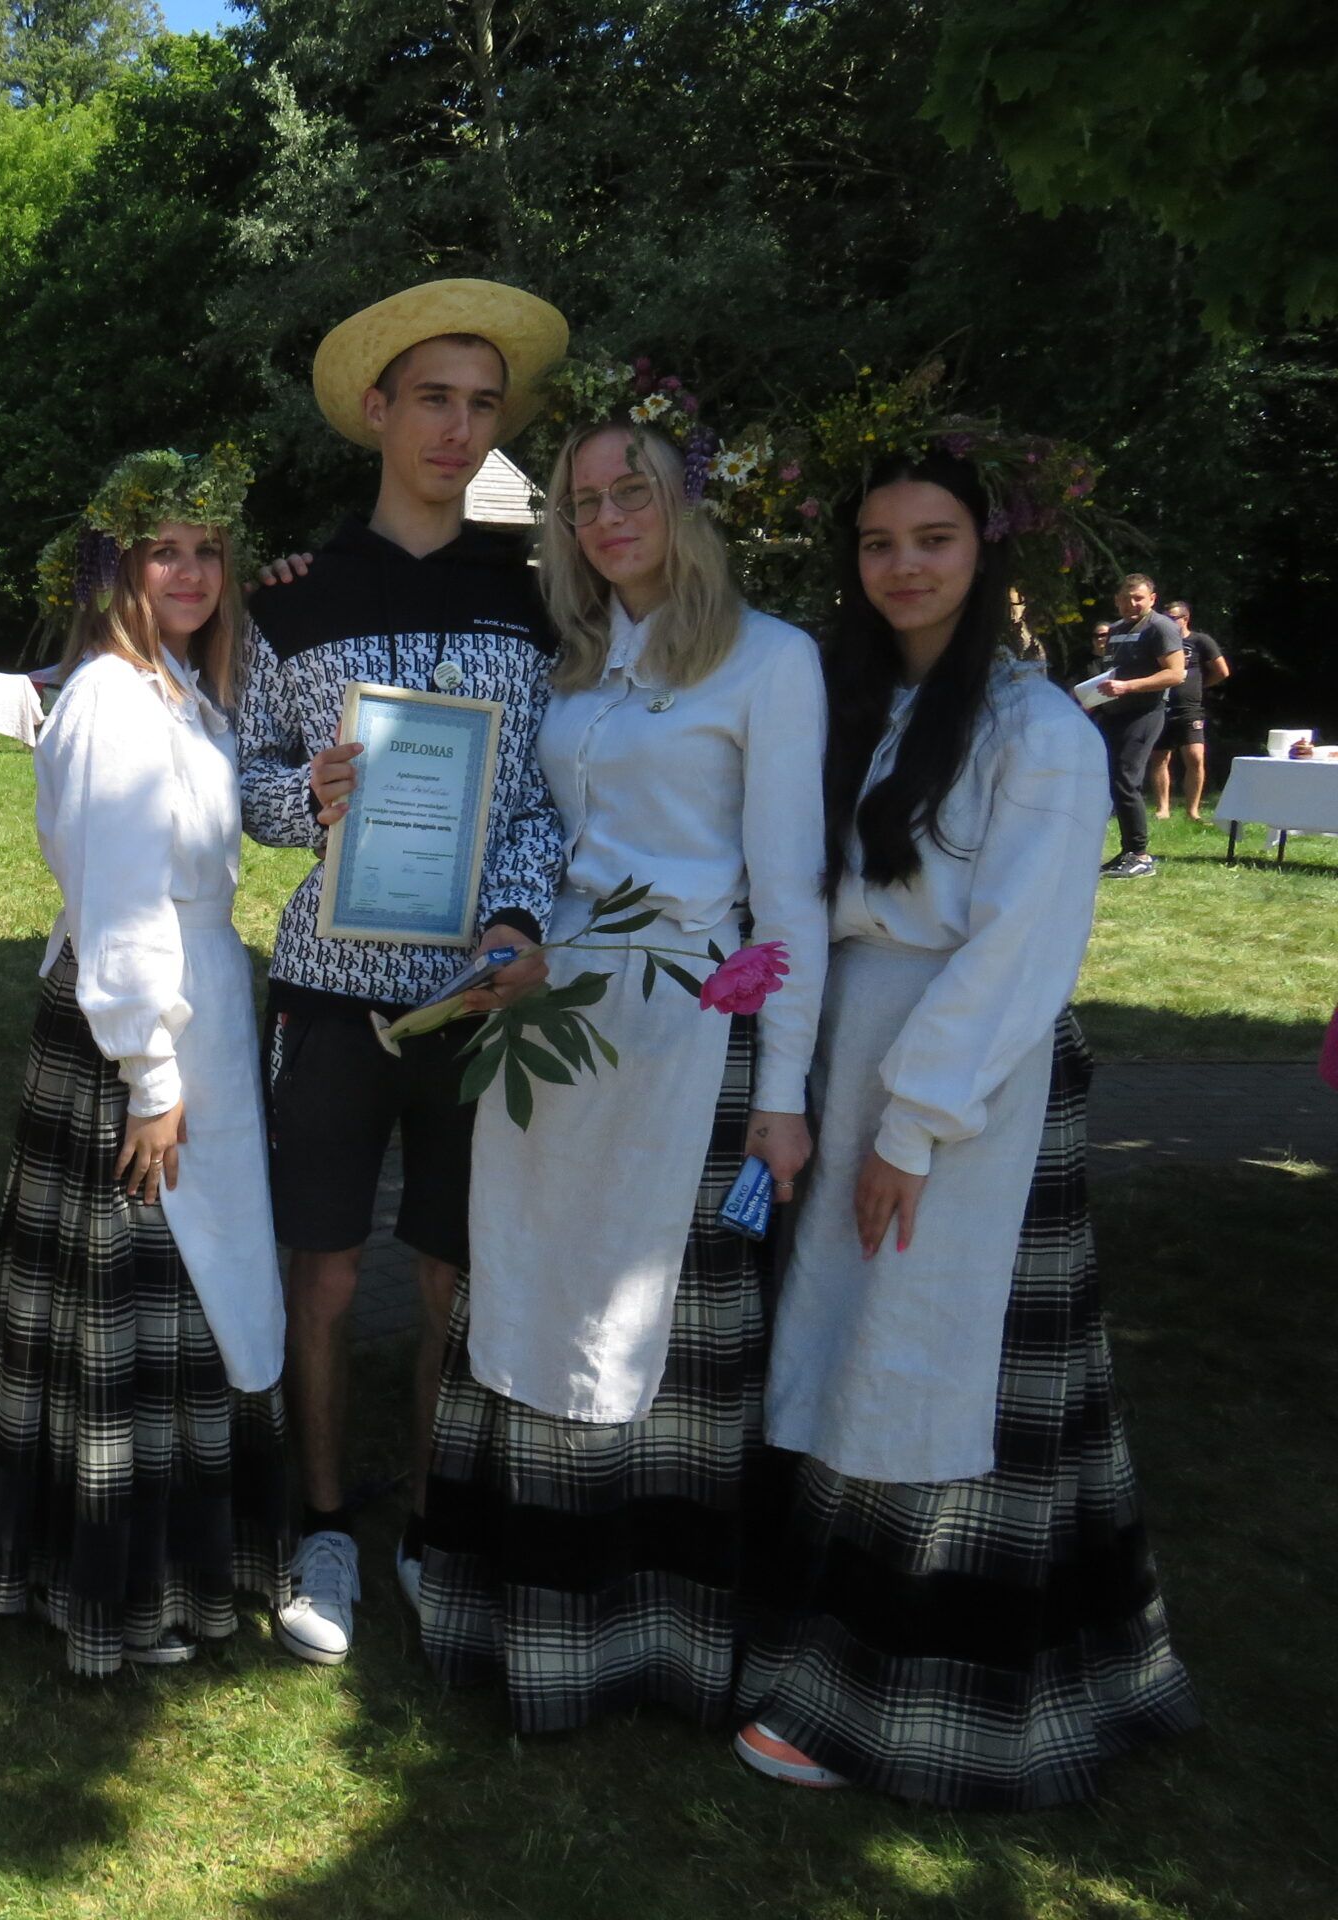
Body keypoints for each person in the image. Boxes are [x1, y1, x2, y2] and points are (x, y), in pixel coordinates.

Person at [738, 451, 1199, 1807]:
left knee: (922, 1360)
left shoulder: (1034, 727)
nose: (904, 566)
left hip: (961, 1081)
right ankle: (820, 1647)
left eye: (931, 539)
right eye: (878, 542)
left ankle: (906, 1694)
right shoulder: (857, 699)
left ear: (982, 553)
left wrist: (914, 1125)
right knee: (843, 1344)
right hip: (851, 1049)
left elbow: (1018, 947)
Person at [417, 416, 828, 1729]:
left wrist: (781, 1092)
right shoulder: (576, 667)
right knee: (532, 1295)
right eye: (582, 501)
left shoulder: (771, 660)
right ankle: (521, 1615)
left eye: (629, 492)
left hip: (684, 1037)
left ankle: (653, 1639)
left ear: (682, 504)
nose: (604, 519)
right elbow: (540, 841)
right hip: (552, 1028)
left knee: (651, 1337)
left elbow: (789, 902)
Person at [239, 278, 569, 1663]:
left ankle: (432, 1525)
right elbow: (245, 781)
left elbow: (542, 798)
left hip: (473, 999)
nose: (458, 429)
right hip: (329, 987)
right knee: (320, 1271)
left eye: (483, 405)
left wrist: (519, 919)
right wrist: (299, 798)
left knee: (449, 1273)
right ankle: (322, 1523)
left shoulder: (531, 605)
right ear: (376, 409)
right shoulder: (293, 599)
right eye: (433, 398)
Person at [0, 447, 292, 1675]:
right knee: (143, 1297)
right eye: (165, 552)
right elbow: (118, 901)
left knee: (192, 1289)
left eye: (209, 551)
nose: (191, 573)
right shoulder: (110, 699)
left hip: (187, 1003)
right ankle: (124, 1582)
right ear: (114, 569)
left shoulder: (177, 688)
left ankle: (173, 1569)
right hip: (136, 1023)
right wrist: (151, 1078)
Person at [1085, 574, 1184, 878]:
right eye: (1126, 599)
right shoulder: (1116, 630)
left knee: (1126, 780)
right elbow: (1114, 674)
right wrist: (1089, 696)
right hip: (1113, 713)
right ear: (1117, 600)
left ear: (1152, 599)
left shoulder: (1160, 627)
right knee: (1112, 780)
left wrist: (1128, 687)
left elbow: (1176, 674)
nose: (1132, 604)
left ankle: (1140, 856)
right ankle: (1126, 852)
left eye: (1138, 598)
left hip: (1145, 712)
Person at [1149, 599, 1229, 821]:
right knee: (1159, 757)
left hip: (1189, 709)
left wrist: (1199, 685)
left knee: (1195, 757)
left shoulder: (1200, 641)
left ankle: (1192, 810)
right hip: (1160, 705)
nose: (1168, 622)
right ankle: (1162, 809)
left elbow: (1222, 671)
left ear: (1185, 618)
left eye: (1173, 618)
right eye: (1165, 618)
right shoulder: (1158, 641)